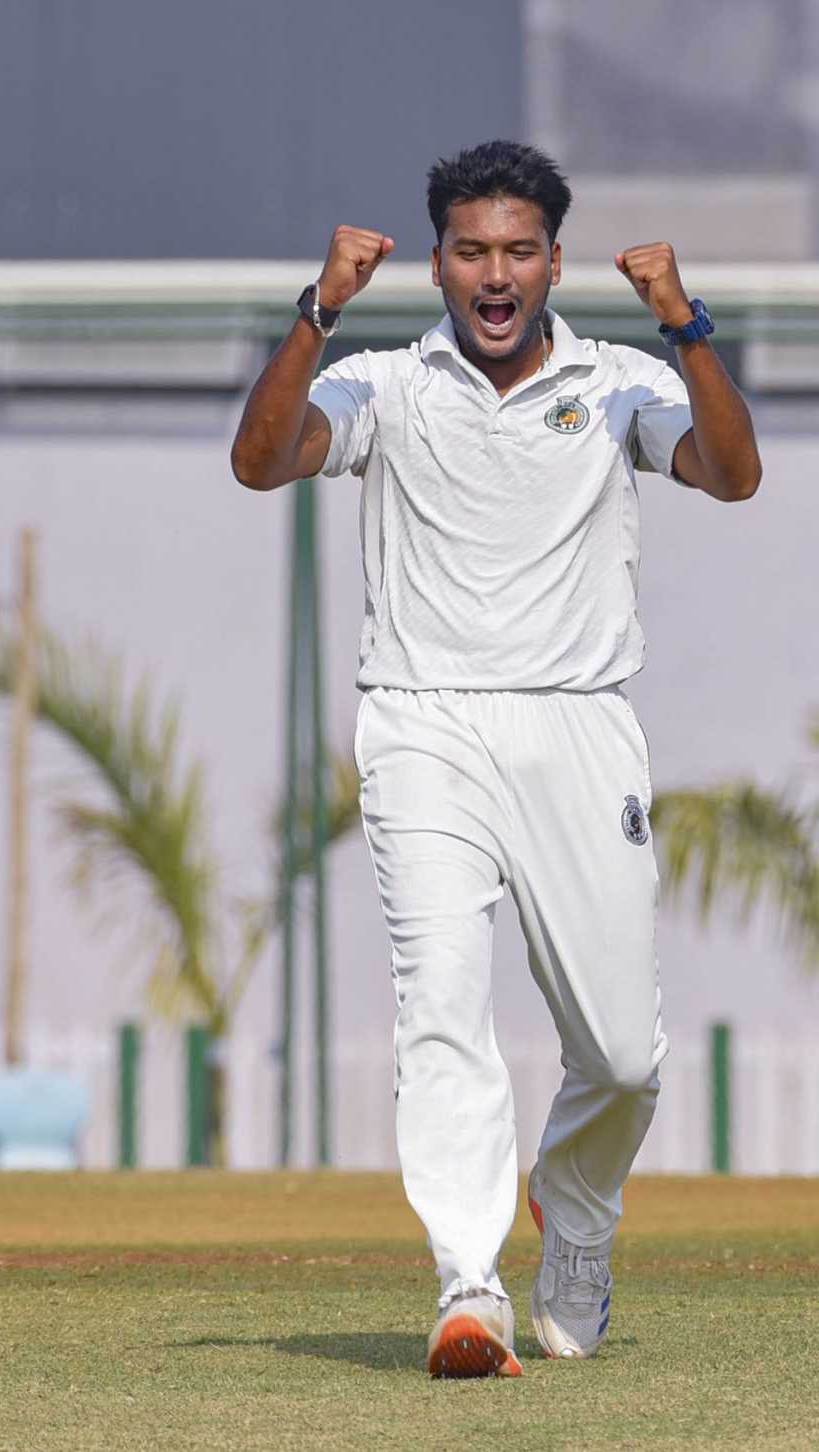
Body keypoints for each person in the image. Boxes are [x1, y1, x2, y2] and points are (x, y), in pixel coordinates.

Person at [231, 140, 760, 1377]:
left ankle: (572, 1221)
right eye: (472, 249)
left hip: (577, 721)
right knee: (442, 1004)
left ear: (554, 262)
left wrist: (686, 324)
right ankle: (467, 1285)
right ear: (439, 264)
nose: (496, 271)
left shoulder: (621, 378)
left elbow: (733, 478)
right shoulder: (384, 383)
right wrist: (318, 313)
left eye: (519, 249)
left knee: (624, 1057)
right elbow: (261, 461)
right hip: (422, 719)